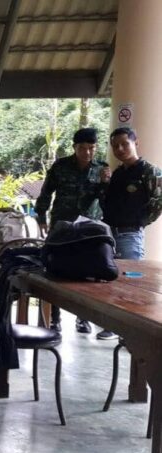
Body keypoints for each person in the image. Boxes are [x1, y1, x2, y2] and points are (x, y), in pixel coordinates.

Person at [35, 128, 110, 333]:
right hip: (62, 225)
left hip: (89, 227)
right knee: (56, 269)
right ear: (74, 147)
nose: (87, 153)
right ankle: (55, 319)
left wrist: (105, 183)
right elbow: (45, 193)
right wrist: (41, 217)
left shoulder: (102, 168)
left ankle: (83, 318)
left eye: (91, 148)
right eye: (82, 148)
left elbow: (106, 201)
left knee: (88, 271)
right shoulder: (60, 166)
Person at [99, 127, 162, 339]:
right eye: (115, 145)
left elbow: (159, 200)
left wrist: (141, 221)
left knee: (131, 282)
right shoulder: (118, 173)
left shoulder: (149, 171)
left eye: (124, 144)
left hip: (130, 234)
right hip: (110, 233)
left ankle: (130, 333)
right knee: (111, 279)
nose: (120, 149)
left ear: (136, 143)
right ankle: (113, 326)